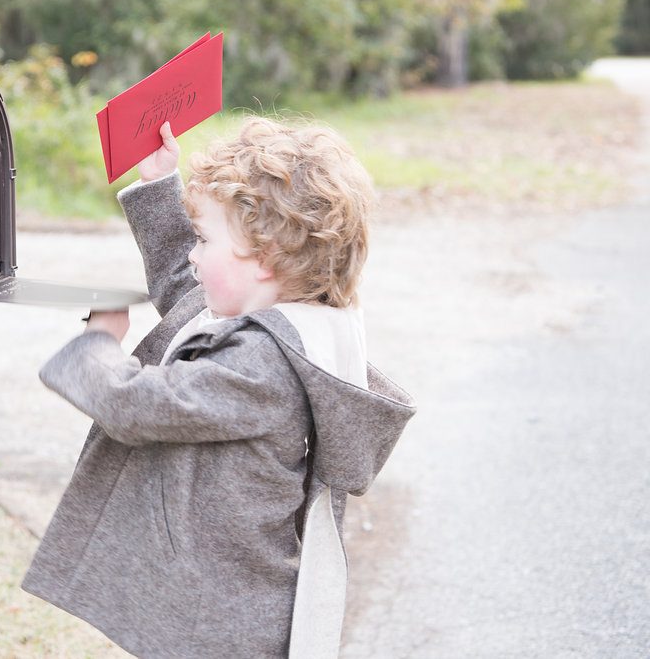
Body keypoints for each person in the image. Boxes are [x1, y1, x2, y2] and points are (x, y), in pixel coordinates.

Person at [22, 117, 416, 658]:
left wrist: (99, 343)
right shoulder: (280, 314)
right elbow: (189, 290)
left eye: (204, 239)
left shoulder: (263, 367)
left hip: (231, 627)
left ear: (266, 259)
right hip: (217, 606)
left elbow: (134, 406)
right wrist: (161, 184)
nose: (192, 253)